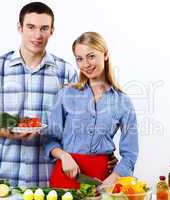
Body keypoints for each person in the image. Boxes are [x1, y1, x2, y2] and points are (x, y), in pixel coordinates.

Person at [0, 2, 78, 187]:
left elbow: (74, 126)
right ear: (20, 27)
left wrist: (102, 154)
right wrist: (10, 133)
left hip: (49, 177)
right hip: (3, 176)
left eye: (44, 28)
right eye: (31, 27)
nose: (37, 35)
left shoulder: (67, 72)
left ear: (52, 30)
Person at [45, 32, 139, 189]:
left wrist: (115, 176)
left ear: (106, 54)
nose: (86, 64)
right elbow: (50, 139)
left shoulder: (123, 102)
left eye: (91, 56)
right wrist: (63, 156)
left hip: (102, 178)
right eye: (79, 59)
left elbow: (130, 152)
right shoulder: (65, 94)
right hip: (66, 172)